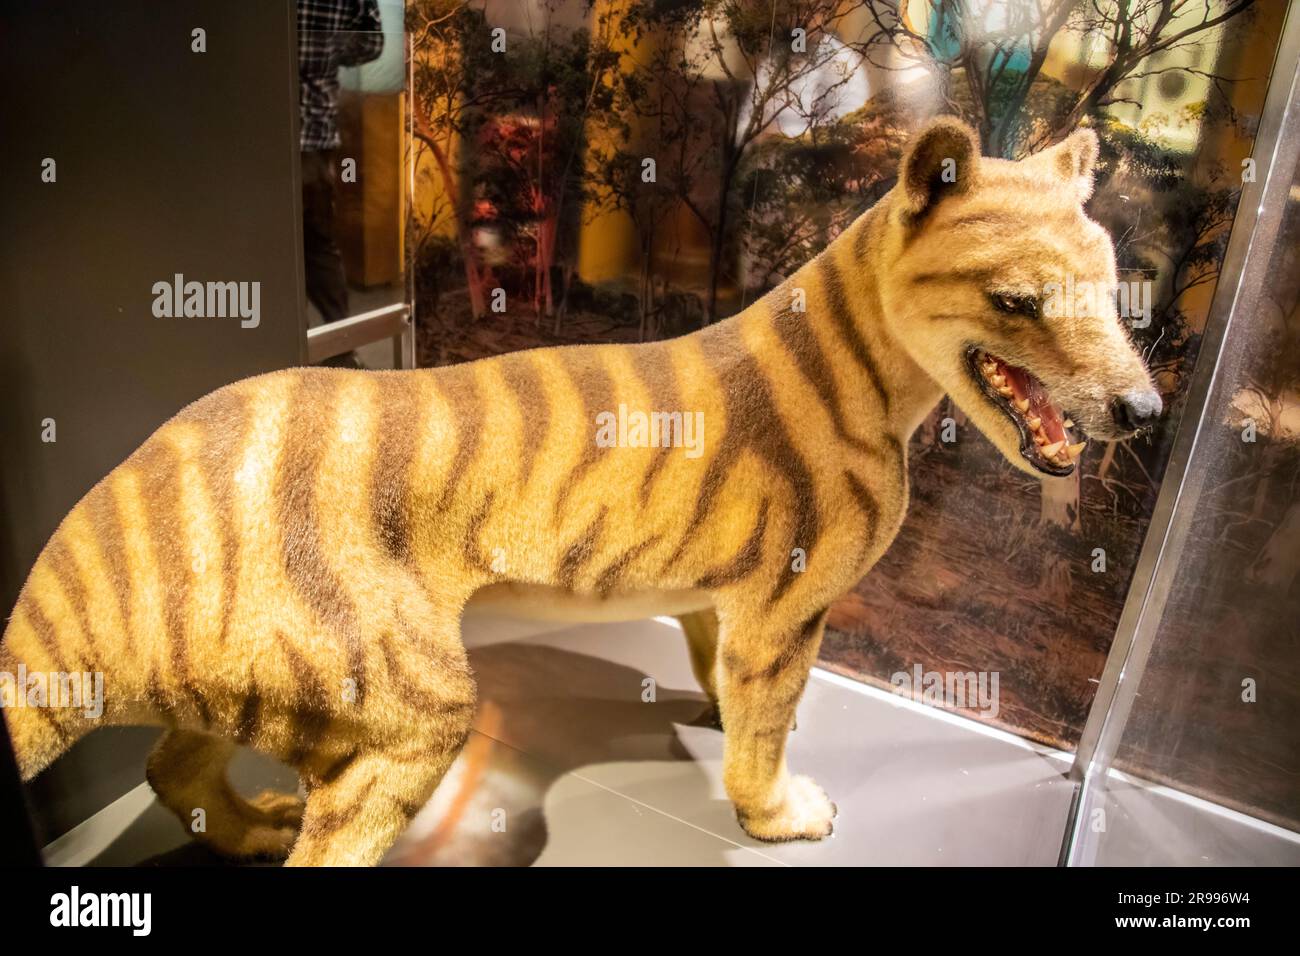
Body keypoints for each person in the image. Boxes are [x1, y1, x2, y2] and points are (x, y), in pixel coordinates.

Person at [297, 0, 384, 334]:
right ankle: (341, 347)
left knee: (268, 248)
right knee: (317, 244)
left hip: (261, 135)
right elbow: (371, 41)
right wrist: (328, 45)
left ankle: (286, 355)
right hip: (315, 132)